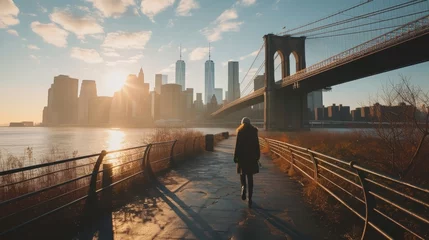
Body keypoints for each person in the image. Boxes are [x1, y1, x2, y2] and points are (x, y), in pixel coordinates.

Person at [233, 117, 260, 208]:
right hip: (251, 157)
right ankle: (250, 198)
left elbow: (237, 145)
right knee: (250, 176)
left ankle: (243, 187)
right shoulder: (254, 131)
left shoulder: (240, 131)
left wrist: (235, 157)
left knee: (242, 173)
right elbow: (257, 145)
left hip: (242, 157)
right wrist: (257, 156)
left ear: (242, 123)